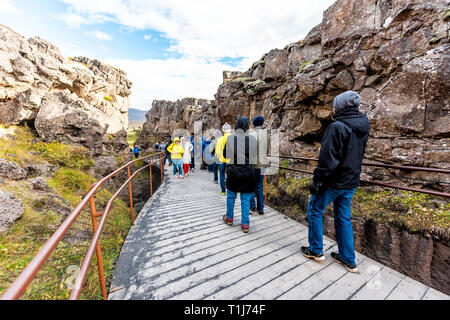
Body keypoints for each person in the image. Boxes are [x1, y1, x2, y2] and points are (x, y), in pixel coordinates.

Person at [301, 91, 370, 273]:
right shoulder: (363, 126)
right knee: (343, 218)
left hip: (333, 181)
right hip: (351, 181)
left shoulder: (337, 127)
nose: (333, 108)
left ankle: (316, 250)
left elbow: (327, 160)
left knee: (315, 210)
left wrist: (317, 181)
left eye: (335, 105)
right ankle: (348, 259)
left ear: (341, 106)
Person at [222, 117, 257, 233]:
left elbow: (226, 155)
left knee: (231, 196)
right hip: (248, 171)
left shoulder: (230, 138)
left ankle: (229, 218)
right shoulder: (252, 139)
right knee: (246, 199)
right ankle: (245, 224)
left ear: (237, 125)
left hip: (234, 171)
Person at [249, 115, 269, 215]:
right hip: (263, 164)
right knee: (260, 186)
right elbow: (268, 150)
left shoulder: (251, 135)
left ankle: (252, 206)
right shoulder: (267, 135)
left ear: (254, 123)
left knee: (251, 186)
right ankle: (261, 209)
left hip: (253, 164)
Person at [215, 123, 232, 195]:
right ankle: (230, 190)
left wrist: (220, 157)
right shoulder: (234, 138)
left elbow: (217, 151)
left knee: (221, 174)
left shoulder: (220, 139)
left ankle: (223, 190)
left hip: (222, 160)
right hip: (230, 160)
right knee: (230, 175)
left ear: (223, 130)